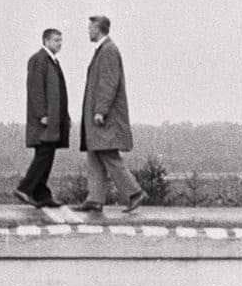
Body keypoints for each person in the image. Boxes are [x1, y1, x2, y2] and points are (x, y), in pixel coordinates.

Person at [73, 15, 145, 214]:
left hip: (105, 117)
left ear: (98, 28)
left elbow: (108, 83)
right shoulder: (103, 50)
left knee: (107, 153)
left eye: (90, 27)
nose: (88, 31)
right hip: (99, 115)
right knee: (95, 153)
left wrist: (100, 111)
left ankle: (134, 192)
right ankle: (95, 198)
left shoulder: (108, 51)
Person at [15, 28, 69, 208]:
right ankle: (24, 188)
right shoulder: (39, 60)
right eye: (55, 40)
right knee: (44, 154)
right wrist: (42, 114)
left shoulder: (52, 61)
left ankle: (41, 195)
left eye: (60, 40)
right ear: (45, 41)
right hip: (44, 120)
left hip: (53, 119)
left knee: (47, 154)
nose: (59, 44)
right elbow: (35, 89)